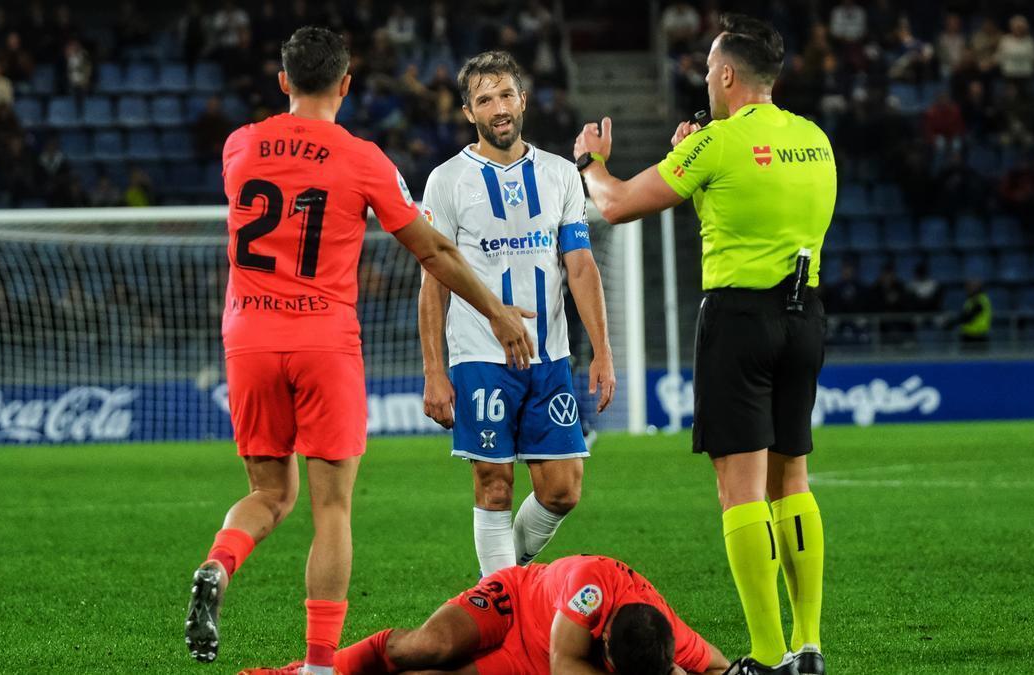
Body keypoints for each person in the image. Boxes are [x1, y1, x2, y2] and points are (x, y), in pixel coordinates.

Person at [184, 27, 535, 675]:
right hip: (323, 340)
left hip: (249, 338)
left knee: (268, 492)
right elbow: (432, 249)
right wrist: (496, 311)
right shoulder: (362, 159)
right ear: (346, 85)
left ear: (283, 80)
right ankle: (320, 666)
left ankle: (217, 562)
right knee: (332, 507)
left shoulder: (240, 145)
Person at [571, 13, 834, 675]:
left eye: (709, 72)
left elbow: (617, 204)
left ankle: (768, 654)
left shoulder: (716, 143)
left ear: (725, 75)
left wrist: (590, 163)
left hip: (738, 317)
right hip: (806, 317)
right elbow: (752, 201)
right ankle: (808, 646)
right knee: (792, 477)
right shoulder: (816, 140)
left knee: (739, 488)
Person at [418, 51, 615, 580]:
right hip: (479, 356)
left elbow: (580, 266)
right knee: (494, 485)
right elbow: (433, 282)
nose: (499, 108)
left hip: (550, 357)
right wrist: (434, 371)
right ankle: (503, 608)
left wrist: (602, 350)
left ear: (523, 100)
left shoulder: (558, 175)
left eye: (506, 95)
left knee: (563, 489)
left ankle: (502, 580)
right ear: (469, 112)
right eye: (485, 99)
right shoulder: (447, 180)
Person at [242, 554, 730, 675]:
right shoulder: (591, 588)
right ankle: (304, 671)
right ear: (604, 642)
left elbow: (719, 665)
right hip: (517, 602)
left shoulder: (672, 634)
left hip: (529, 664)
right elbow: (564, 664)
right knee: (428, 647)